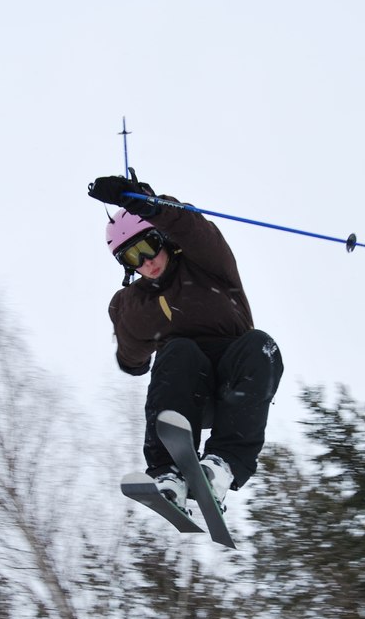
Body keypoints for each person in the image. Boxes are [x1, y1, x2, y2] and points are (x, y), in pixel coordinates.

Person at [89, 172, 284, 512]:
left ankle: (221, 466)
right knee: (178, 352)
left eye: (149, 247)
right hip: (188, 391)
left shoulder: (206, 262)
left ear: (162, 238)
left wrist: (146, 202)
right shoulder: (132, 303)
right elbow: (132, 358)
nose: (146, 262)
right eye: (132, 257)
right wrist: (131, 358)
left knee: (261, 345)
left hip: (234, 382)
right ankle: (169, 475)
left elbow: (191, 227)